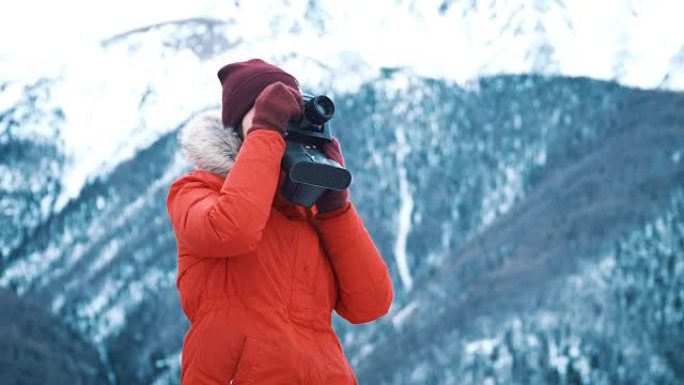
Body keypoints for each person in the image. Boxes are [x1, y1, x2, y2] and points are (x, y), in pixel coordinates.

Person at [166, 58, 394, 385]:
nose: (284, 123)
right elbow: (233, 230)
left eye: (289, 114)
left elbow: (372, 303)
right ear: (236, 130)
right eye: (270, 112)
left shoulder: (309, 212)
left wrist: (335, 210)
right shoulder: (196, 189)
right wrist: (267, 132)